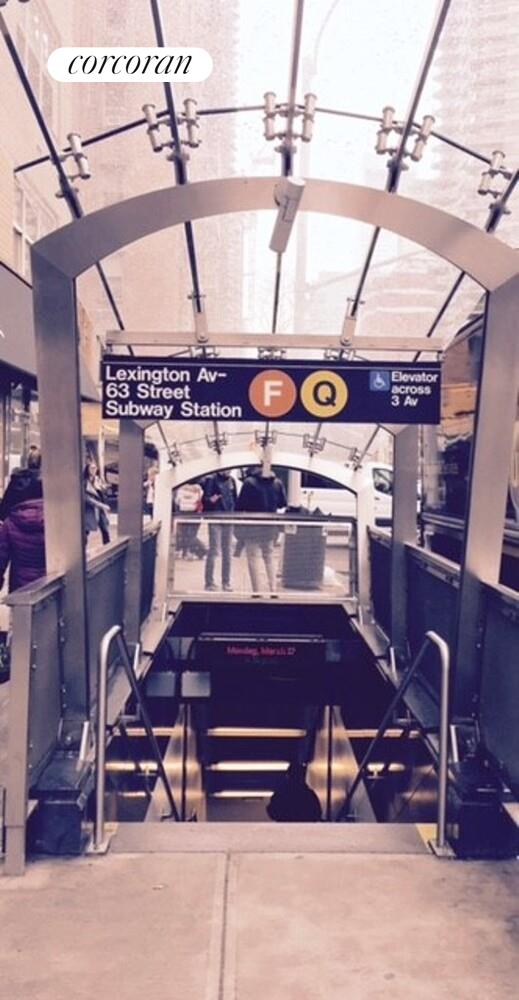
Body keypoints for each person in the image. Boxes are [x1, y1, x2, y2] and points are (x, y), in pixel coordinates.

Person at [235, 466, 287, 597]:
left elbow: (240, 505)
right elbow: (282, 503)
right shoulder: (277, 482)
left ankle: (257, 591)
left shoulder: (249, 483)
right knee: (269, 557)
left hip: (252, 526)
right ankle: (273, 590)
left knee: (253, 559)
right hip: (270, 525)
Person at [0, 449, 45, 594]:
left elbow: (1, 557)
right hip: (51, 587)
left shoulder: (10, 523)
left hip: (19, 588)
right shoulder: (57, 516)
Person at [202, 470, 237, 592]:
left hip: (229, 518)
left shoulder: (232, 481)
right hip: (215, 517)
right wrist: (211, 500)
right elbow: (205, 499)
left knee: (227, 551)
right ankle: (209, 582)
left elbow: (235, 499)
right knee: (214, 550)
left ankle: (226, 582)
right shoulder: (212, 479)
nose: (228, 471)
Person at [0, 445, 43, 522]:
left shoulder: (16, 480)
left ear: (28, 462)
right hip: (41, 527)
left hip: (15, 526)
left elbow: (3, 511)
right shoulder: (47, 484)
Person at [174, 480, 206, 559]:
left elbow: (177, 501)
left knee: (183, 534)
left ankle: (185, 552)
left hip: (183, 513)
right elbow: (200, 500)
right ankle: (195, 552)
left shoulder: (180, 489)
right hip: (194, 514)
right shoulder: (199, 489)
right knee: (191, 535)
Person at [84, 462, 111, 546]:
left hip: (100, 510)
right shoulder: (85, 482)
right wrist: (101, 505)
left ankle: (107, 547)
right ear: (87, 469)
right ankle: (83, 549)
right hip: (90, 509)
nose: (94, 470)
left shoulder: (97, 480)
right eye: (91, 468)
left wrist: (102, 486)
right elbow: (87, 498)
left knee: (105, 529)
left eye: (95, 468)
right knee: (86, 531)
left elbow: (103, 494)